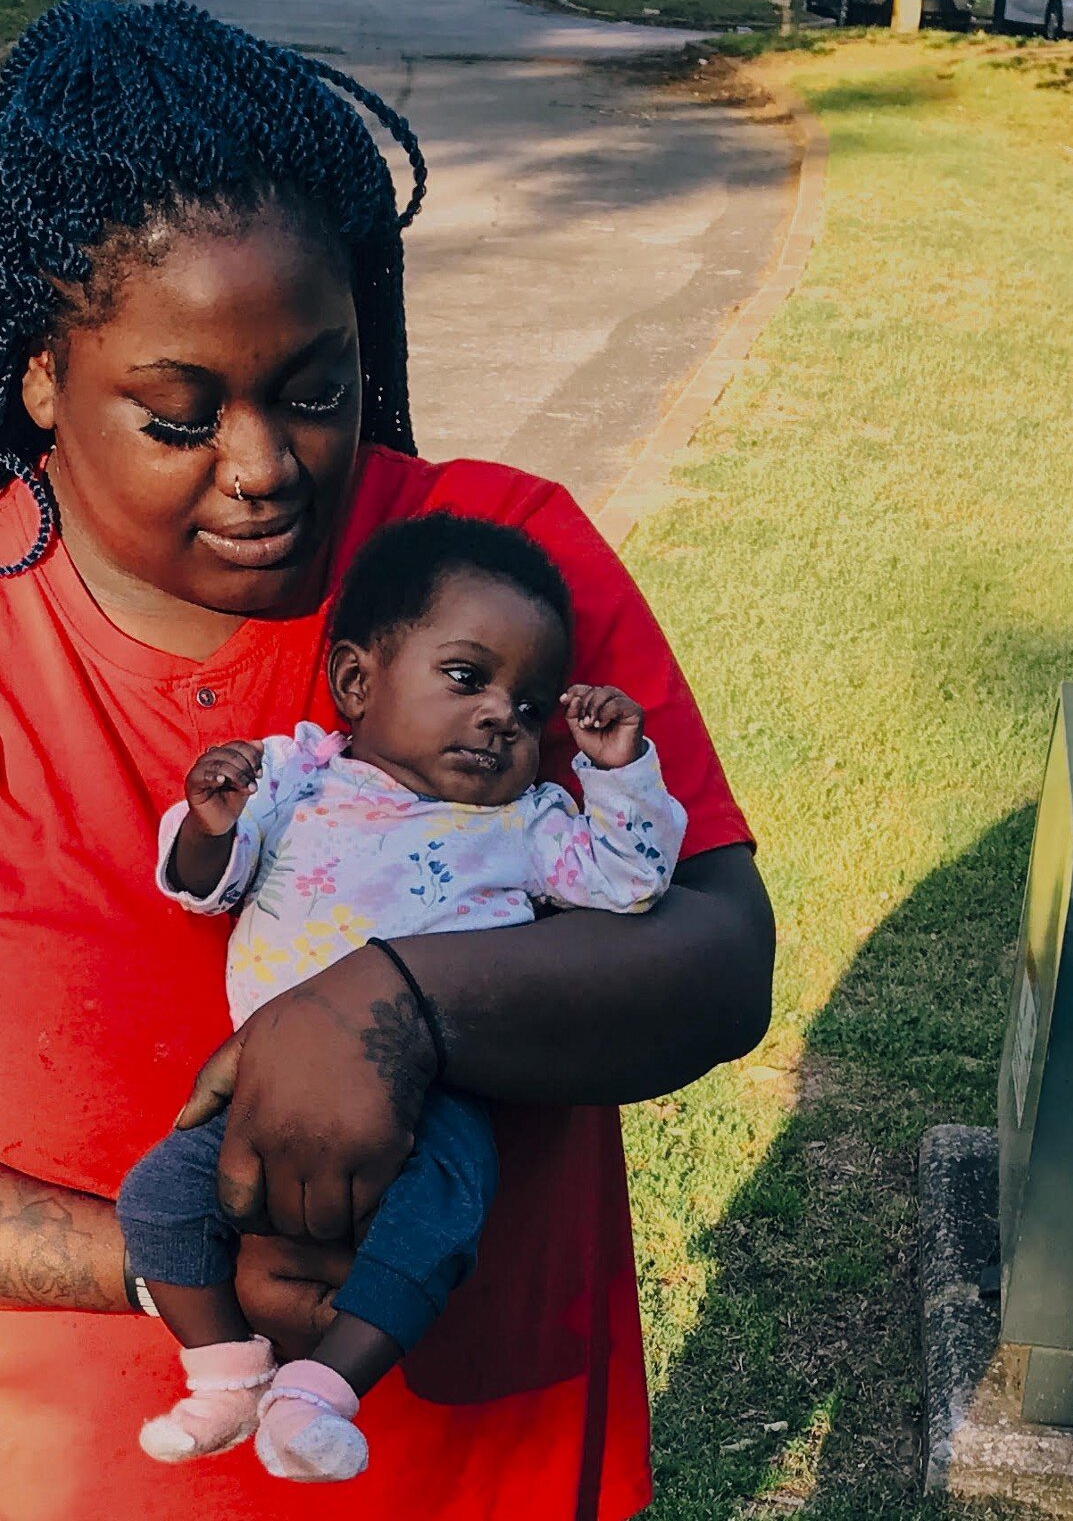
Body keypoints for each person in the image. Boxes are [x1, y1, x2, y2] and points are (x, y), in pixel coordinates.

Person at [0, 0, 773, 1521]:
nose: (265, 468)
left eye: (315, 390)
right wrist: (165, 1259)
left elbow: (718, 959)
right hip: (53, 1479)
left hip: (476, 1469)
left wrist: (397, 1010)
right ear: (43, 375)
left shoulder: (499, 572)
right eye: (178, 415)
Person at [123, 515, 690, 1483]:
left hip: (445, 1094)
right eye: (467, 678)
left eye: (532, 703)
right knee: (161, 1198)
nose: (503, 715)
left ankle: (325, 1393)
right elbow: (202, 886)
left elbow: (629, 884)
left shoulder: (526, 821)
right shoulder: (297, 779)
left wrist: (614, 768)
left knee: (434, 1229)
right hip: (267, 1092)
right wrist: (212, 821)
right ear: (357, 683)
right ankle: (224, 1371)